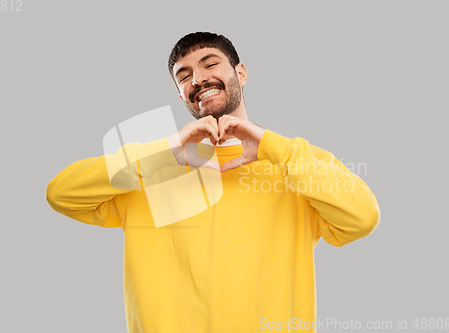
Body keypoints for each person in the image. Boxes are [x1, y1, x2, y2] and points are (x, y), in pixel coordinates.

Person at [46, 32, 380, 333]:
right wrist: (164, 152)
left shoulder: (296, 162)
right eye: (184, 75)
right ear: (182, 96)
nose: (198, 78)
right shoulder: (149, 170)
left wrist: (273, 147)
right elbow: (61, 194)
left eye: (210, 63)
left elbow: (363, 217)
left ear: (241, 73)